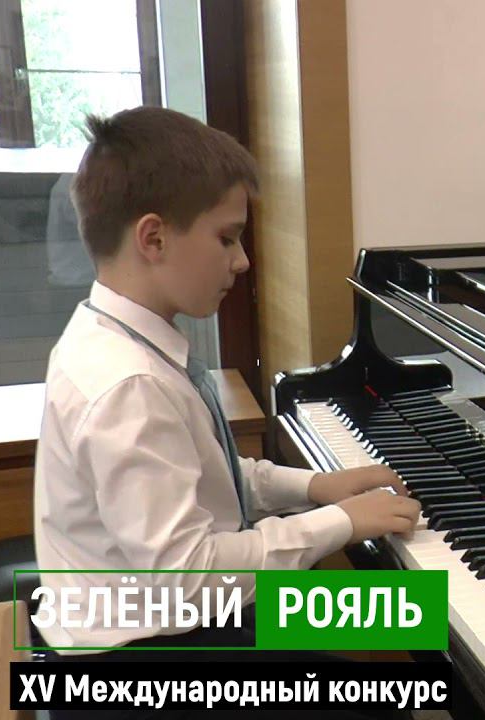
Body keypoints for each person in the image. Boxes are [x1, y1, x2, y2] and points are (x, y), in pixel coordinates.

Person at [32, 107, 421, 670]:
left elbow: (204, 475)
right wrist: (341, 522)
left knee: (408, 614)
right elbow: (190, 579)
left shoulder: (111, 334)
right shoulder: (129, 385)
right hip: (144, 654)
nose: (242, 261)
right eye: (227, 238)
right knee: (393, 669)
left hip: (166, 614)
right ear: (153, 238)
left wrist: (316, 486)